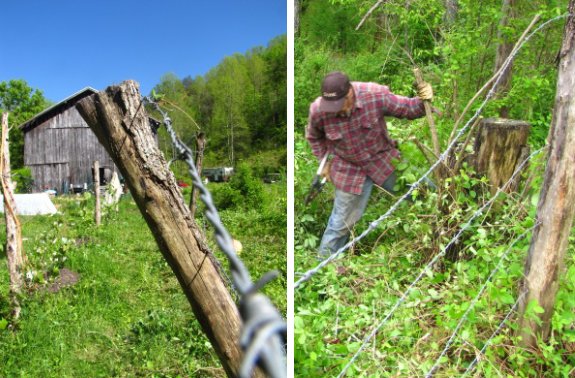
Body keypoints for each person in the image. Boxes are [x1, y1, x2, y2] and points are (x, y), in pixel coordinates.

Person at [306, 71, 433, 258]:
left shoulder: (374, 95)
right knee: (339, 225)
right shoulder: (319, 110)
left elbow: (408, 108)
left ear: (349, 94)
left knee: (425, 193)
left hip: (383, 159)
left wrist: (424, 99)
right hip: (348, 168)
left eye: (338, 105)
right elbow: (314, 137)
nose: (335, 110)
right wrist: (323, 162)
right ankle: (322, 269)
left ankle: (452, 219)